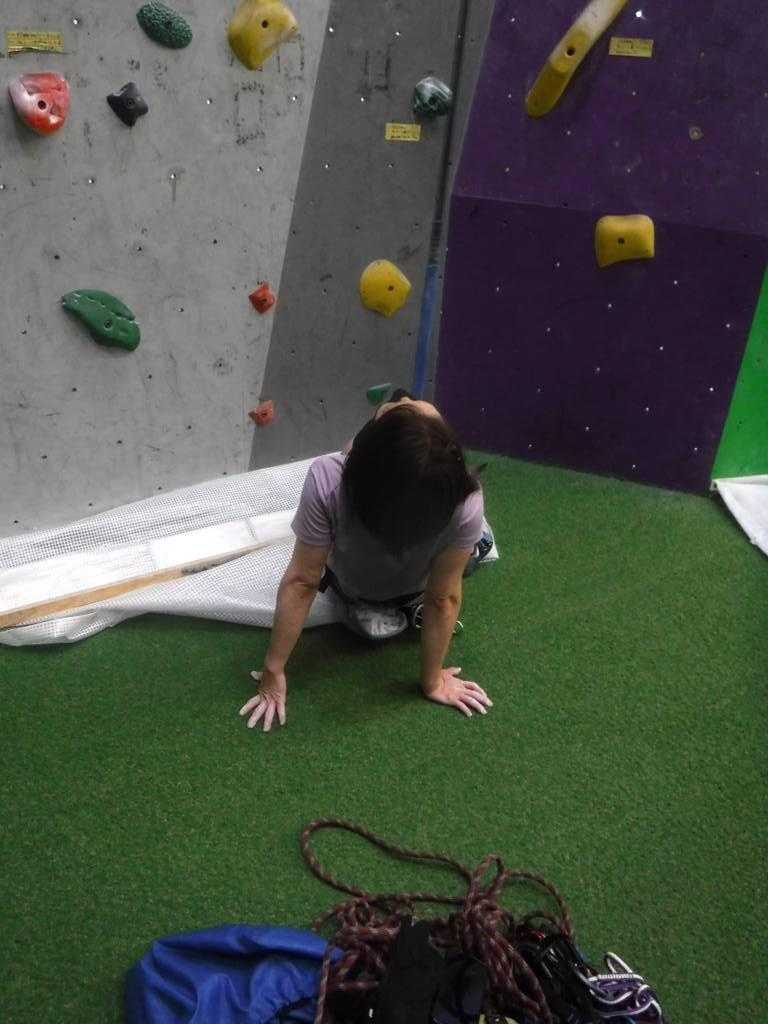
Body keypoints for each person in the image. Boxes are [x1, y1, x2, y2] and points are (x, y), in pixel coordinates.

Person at [239, 389, 494, 732]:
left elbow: (302, 581)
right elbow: (443, 598)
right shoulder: (468, 501)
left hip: (353, 590)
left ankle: (380, 612)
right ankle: (403, 608)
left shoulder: (328, 477)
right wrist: (433, 681)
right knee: (478, 542)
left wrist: (273, 671)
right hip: (413, 586)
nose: (406, 403)